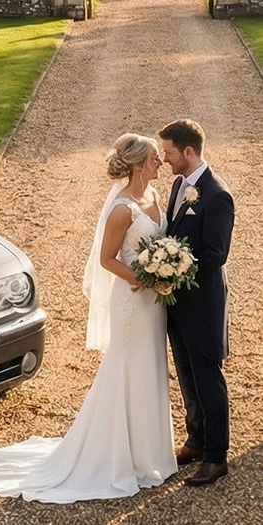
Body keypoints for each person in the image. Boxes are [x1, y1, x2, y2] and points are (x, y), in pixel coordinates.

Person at [0, 133, 177, 503]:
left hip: (152, 305)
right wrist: (146, 279)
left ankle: (150, 453)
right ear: (141, 163)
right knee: (128, 368)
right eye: (156, 158)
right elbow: (107, 259)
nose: (161, 162)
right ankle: (115, 456)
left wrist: (165, 274)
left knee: (151, 366)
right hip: (132, 301)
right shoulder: (122, 209)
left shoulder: (155, 197)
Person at [159, 119, 234, 486]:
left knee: (207, 377)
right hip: (176, 303)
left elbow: (216, 254)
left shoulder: (218, 194)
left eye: (169, 152)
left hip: (203, 303)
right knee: (187, 375)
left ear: (188, 151)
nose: (165, 159)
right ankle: (197, 439)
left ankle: (216, 457)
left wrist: (171, 275)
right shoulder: (178, 185)